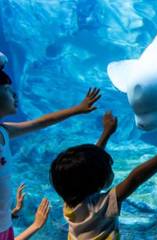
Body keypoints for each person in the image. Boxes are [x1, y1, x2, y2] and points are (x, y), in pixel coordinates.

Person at [0, 51, 101, 239]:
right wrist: (36, 226)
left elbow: (40, 122)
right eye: (7, 89)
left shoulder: (5, 132)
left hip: (5, 225)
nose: (14, 94)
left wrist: (76, 109)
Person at [50, 112, 157, 240]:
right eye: (109, 168)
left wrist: (106, 132)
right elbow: (135, 178)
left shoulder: (70, 198)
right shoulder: (102, 206)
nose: (112, 170)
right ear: (98, 182)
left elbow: (87, 167)